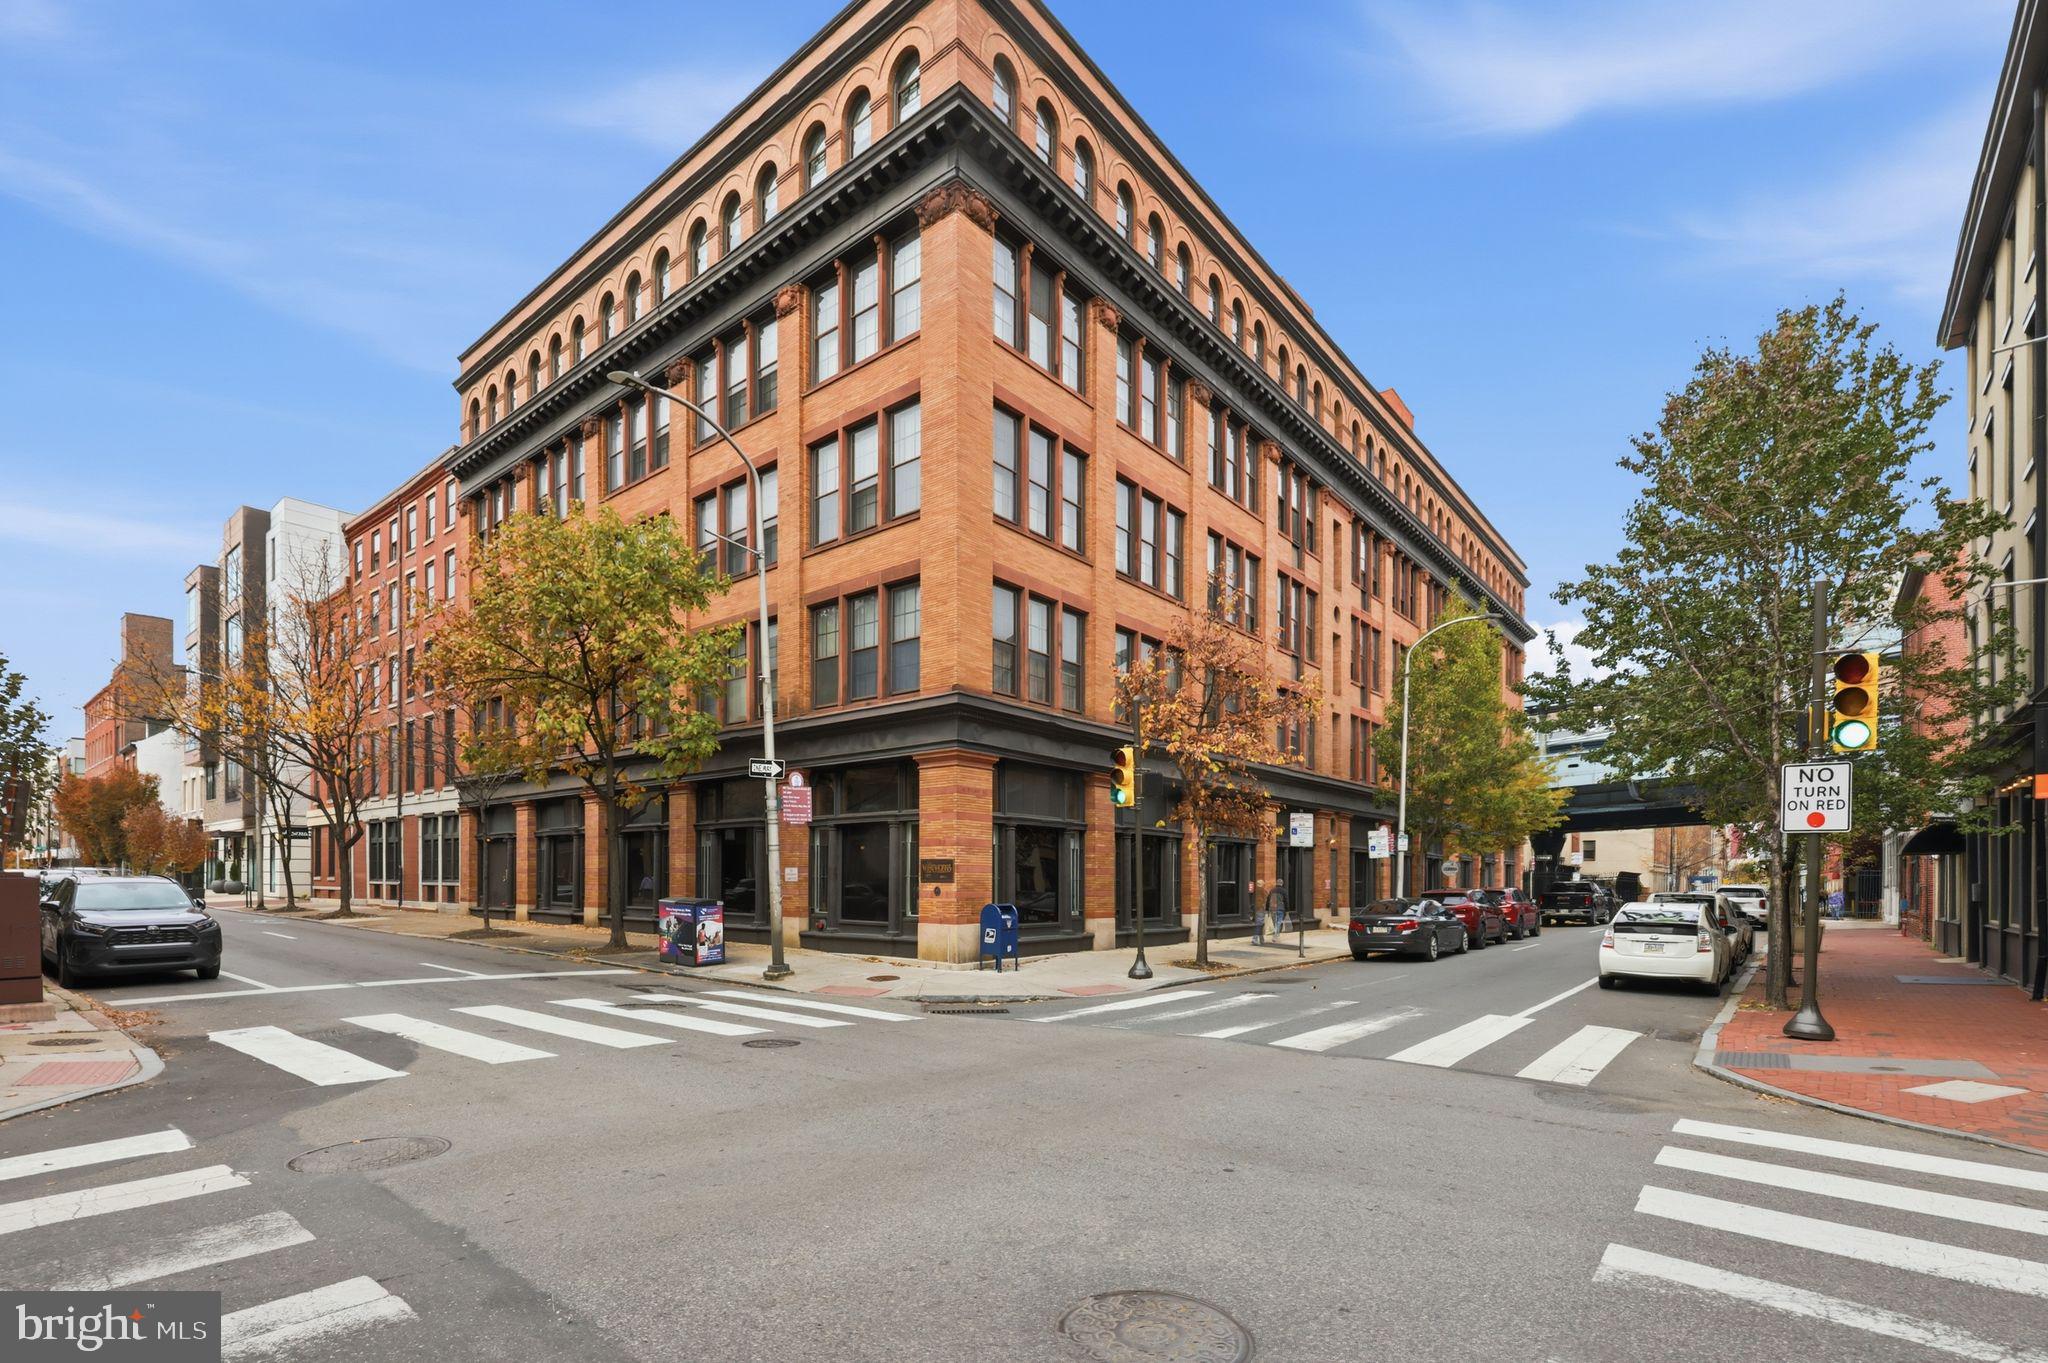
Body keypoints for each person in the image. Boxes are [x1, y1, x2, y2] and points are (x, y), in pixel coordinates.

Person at [1255, 880, 1289, 945]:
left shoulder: (1272, 890)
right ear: (1282, 884)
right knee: (1278, 923)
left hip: (1272, 909)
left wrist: (1267, 909)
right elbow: (1286, 901)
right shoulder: (1284, 891)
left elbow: (1268, 900)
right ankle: (1275, 936)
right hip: (1280, 909)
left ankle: (1275, 935)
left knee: (1274, 923)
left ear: (1276, 883)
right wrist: (1287, 910)